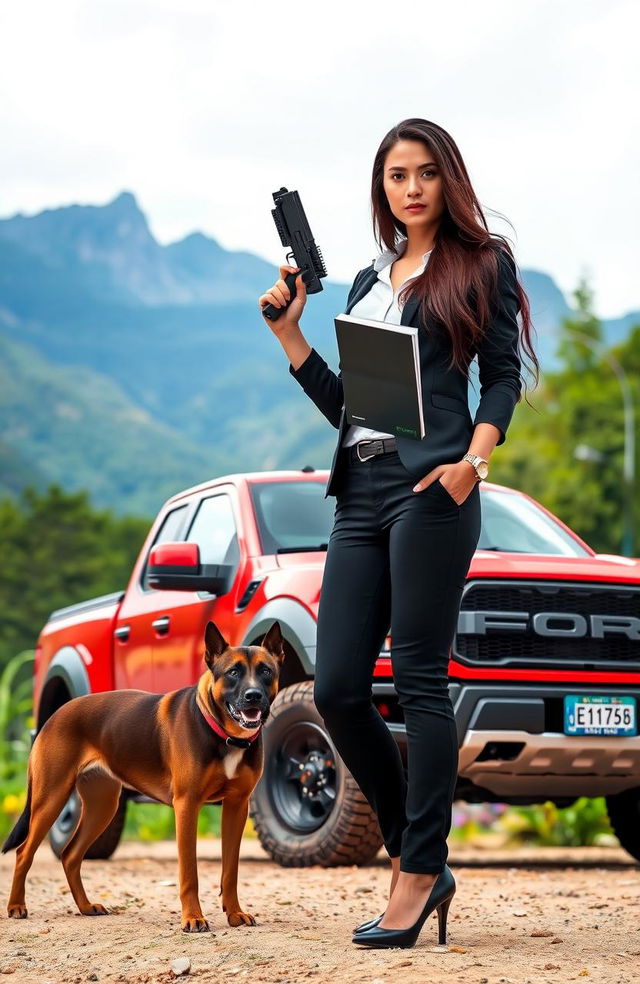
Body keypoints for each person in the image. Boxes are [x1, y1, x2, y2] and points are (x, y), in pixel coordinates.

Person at [258, 118, 538, 949]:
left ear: (447, 179)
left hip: (434, 486)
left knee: (417, 678)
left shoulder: (482, 264)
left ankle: (418, 871)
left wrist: (472, 464)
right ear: (381, 189)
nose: (409, 189)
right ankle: (421, 852)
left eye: (423, 173)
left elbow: (502, 377)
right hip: (361, 489)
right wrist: (290, 334)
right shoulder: (362, 282)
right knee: (339, 686)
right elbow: (351, 406)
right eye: (394, 177)